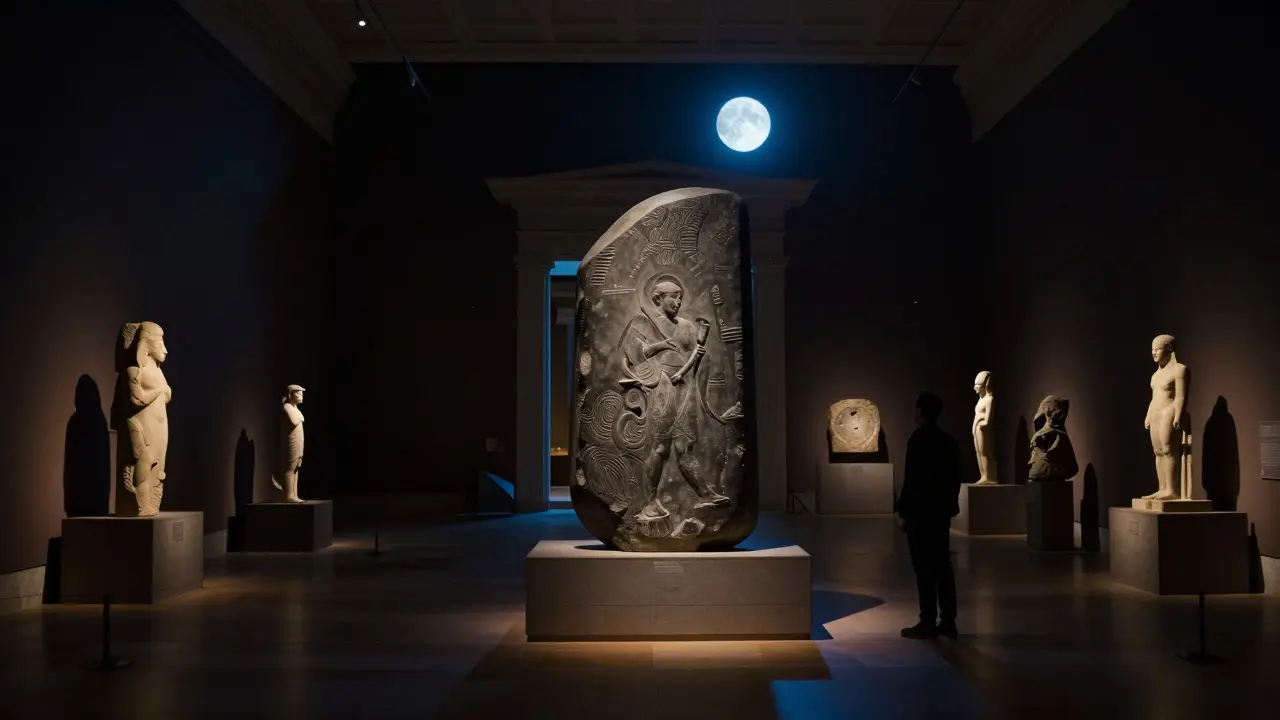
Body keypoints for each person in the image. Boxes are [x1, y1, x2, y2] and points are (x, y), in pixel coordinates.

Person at [896, 391, 961, 639]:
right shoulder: (948, 442)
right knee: (942, 566)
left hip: (921, 515)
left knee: (924, 568)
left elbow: (912, 480)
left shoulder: (918, 440)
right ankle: (948, 621)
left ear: (921, 411)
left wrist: (904, 512)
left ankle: (927, 620)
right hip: (939, 513)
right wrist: (949, 506)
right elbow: (954, 478)